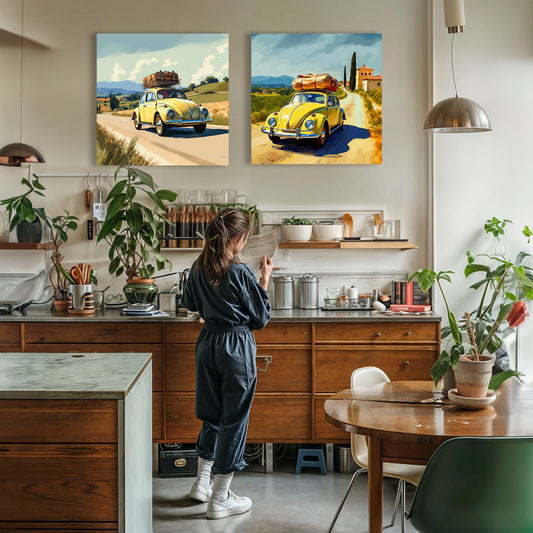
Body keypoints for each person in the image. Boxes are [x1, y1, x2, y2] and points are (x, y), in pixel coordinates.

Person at [181, 207, 273, 520]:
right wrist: (264, 280)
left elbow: (191, 303)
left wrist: (212, 309)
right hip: (235, 346)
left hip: (207, 344)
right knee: (234, 419)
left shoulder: (198, 265)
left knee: (212, 414)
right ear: (240, 238)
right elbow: (260, 319)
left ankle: (202, 483)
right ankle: (220, 498)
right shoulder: (240, 271)